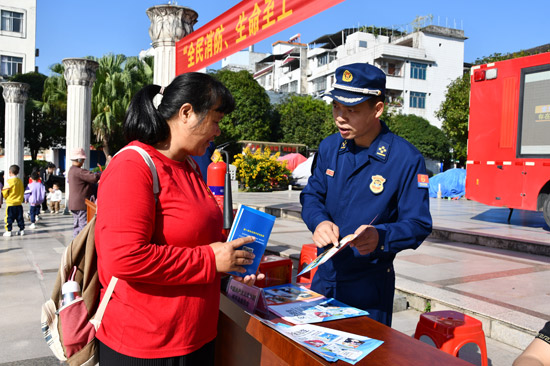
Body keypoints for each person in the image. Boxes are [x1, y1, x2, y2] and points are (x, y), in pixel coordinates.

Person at [95, 72, 263, 366]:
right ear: (187, 113)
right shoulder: (133, 165)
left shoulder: (190, 167)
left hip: (196, 337)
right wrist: (210, 261)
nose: (218, 131)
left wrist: (232, 261)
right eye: (216, 119)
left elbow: (198, 241)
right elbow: (124, 258)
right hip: (145, 345)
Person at [300, 63, 432, 326]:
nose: (340, 117)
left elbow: (418, 223)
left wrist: (380, 237)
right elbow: (312, 195)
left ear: (378, 109)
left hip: (368, 287)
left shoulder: (405, 159)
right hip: (325, 276)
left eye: (352, 110)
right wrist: (319, 221)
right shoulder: (329, 147)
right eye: (336, 106)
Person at [67, 148, 101, 238]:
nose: (83, 162)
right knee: (83, 227)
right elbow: (93, 178)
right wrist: (100, 174)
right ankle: (82, 247)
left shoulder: (71, 170)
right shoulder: (79, 171)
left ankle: (75, 246)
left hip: (73, 204)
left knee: (77, 226)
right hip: (81, 204)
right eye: (82, 160)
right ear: (79, 160)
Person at [2, 165, 25, 237]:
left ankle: (8, 231)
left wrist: (6, 197)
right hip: (19, 203)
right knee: (20, 217)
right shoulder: (20, 181)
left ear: (10, 172)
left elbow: (4, 192)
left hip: (11, 203)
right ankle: (21, 230)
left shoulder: (9, 182)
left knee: (9, 218)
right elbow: (22, 191)